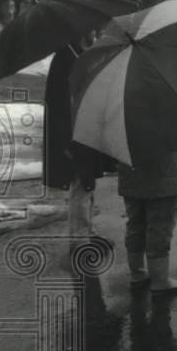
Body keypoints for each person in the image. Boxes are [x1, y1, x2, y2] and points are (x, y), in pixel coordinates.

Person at [43, 33, 109, 264]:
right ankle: (79, 243)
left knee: (87, 184)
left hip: (85, 130)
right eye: (89, 30)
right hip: (74, 133)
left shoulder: (78, 54)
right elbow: (61, 101)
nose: (93, 34)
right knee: (80, 185)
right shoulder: (66, 57)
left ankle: (86, 234)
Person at [118, 150, 177, 294]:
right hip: (163, 174)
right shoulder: (166, 126)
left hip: (130, 172)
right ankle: (160, 281)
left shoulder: (120, 127)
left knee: (135, 223)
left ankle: (137, 274)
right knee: (160, 226)